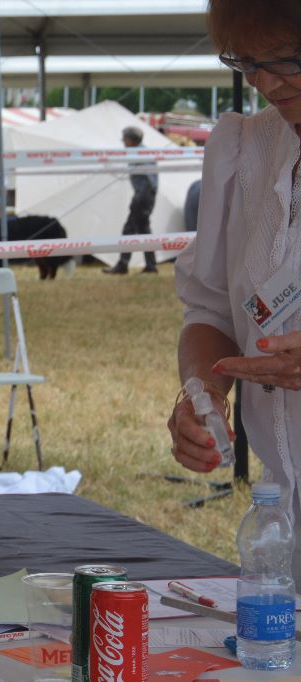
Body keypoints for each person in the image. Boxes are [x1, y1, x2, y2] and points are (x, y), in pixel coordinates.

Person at [168, 0, 301, 587]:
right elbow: (211, 309)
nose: (265, 83)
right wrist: (202, 392)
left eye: (286, 60)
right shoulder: (244, 148)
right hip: (282, 523)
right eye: (245, 62)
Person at [103, 126, 159, 275]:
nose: (123, 142)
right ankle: (149, 265)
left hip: (143, 195)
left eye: (124, 139)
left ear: (130, 140)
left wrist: (106, 163)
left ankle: (124, 265)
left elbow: (147, 177)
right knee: (142, 230)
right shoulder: (143, 151)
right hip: (146, 195)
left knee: (131, 230)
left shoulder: (138, 152)